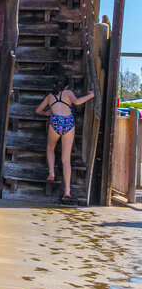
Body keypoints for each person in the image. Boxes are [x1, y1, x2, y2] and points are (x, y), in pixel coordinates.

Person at [35, 76, 95, 204]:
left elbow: (38, 110)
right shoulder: (68, 93)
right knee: (66, 159)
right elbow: (77, 102)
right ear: (66, 86)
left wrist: (47, 113)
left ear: (54, 85)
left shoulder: (50, 97)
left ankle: (51, 172)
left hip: (55, 121)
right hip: (68, 122)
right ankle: (67, 190)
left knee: (50, 148)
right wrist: (91, 95)